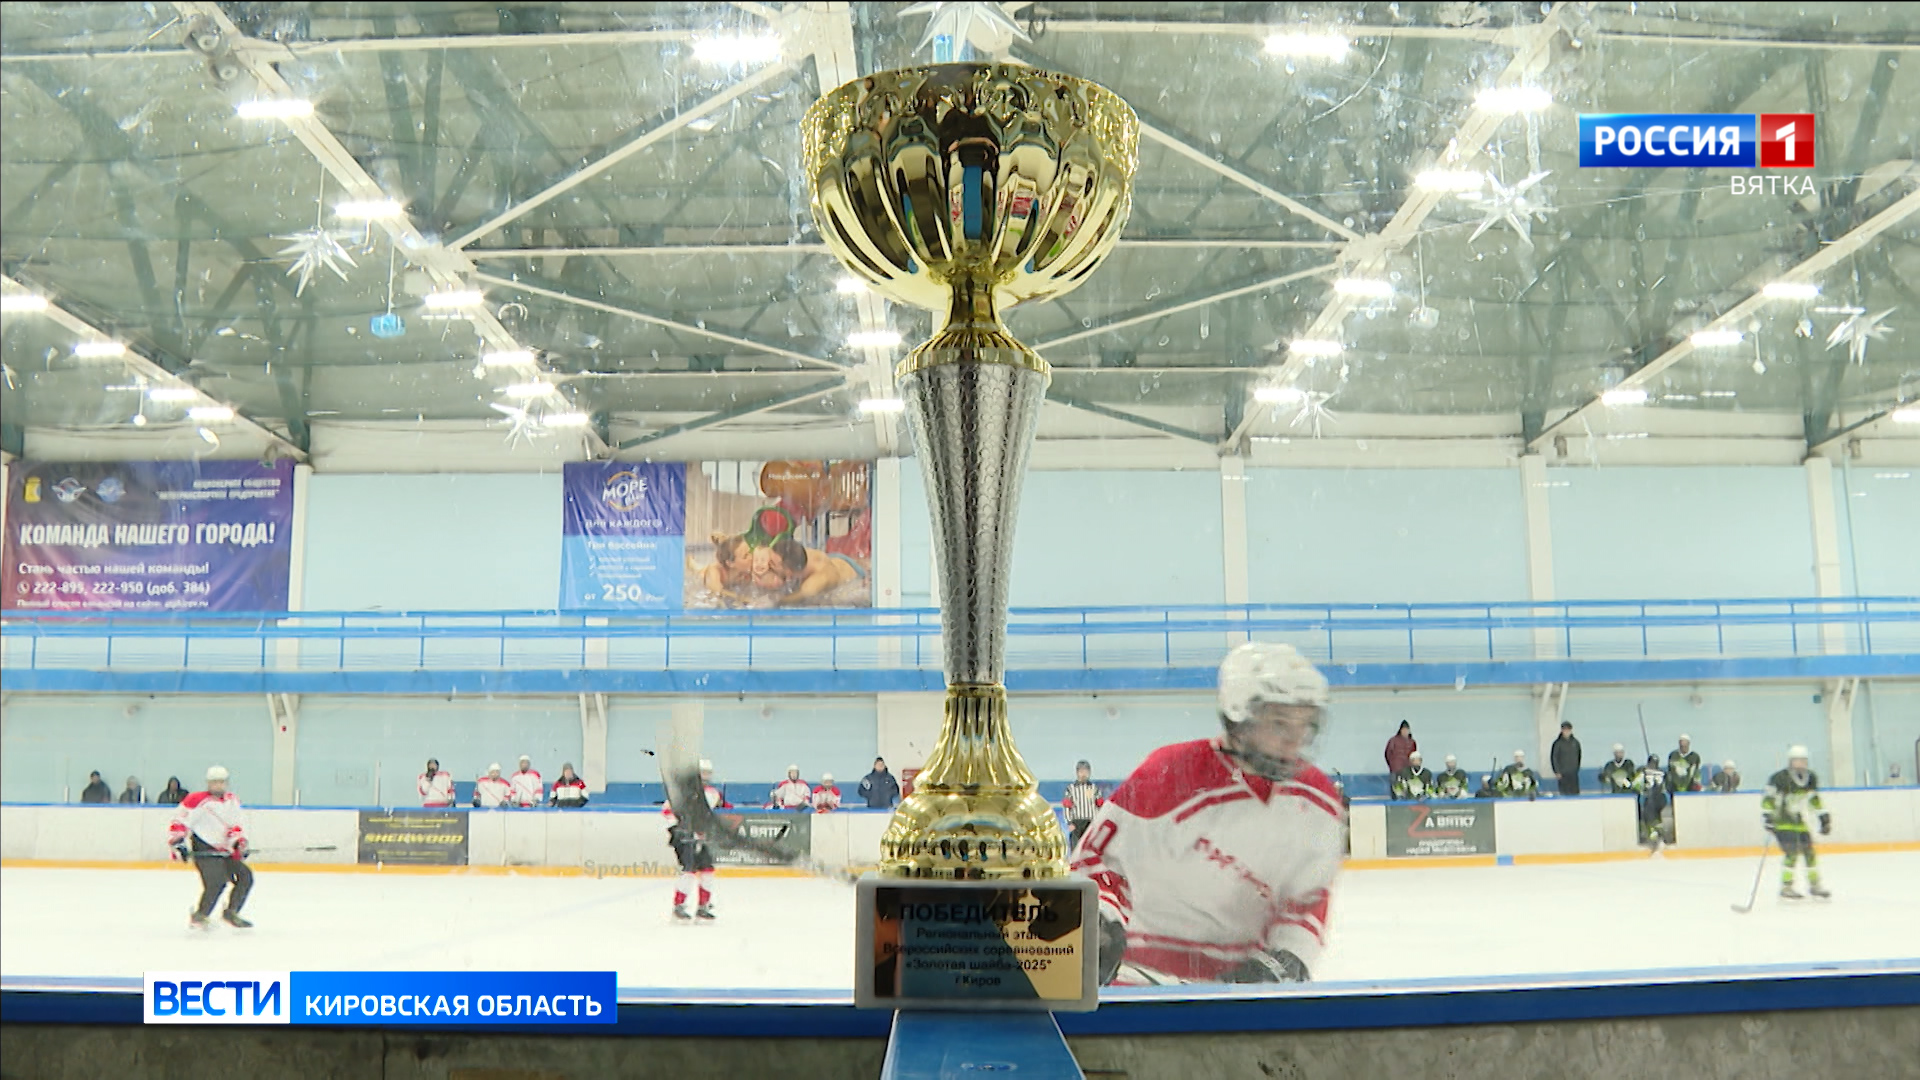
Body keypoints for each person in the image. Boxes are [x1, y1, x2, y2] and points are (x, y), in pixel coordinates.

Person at [1072, 642, 1343, 986]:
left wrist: (1286, 960)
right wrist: (1099, 923)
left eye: (1304, 726)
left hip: (1236, 996)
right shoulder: (1170, 772)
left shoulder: (1318, 801)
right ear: (1239, 716)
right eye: (1279, 724)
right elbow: (1097, 862)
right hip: (1137, 980)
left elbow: (1306, 904)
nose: (1294, 741)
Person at [166, 765, 254, 930]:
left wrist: (238, 843)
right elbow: (180, 821)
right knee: (216, 882)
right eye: (214, 782)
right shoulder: (196, 800)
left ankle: (231, 912)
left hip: (225, 851)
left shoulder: (232, 801)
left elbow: (236, 825)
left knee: (245, 876)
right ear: (208, 783)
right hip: (204, 850)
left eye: (221, 782)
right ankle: (200, 916)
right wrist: (178, 843)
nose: (218, 786)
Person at [663, 759, 730, 920]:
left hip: (701, 837)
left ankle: (703, 905)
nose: (706, 777)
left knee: (707, 870)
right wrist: (681, 829)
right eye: (703, 773)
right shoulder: (681, 792)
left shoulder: (713, 793)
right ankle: (679, 905)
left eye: (708, 773)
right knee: (689, 870)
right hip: (685, 837)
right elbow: (667, 811)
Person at [1764, 746, 1831, 899]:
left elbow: (1813, 799)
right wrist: (1768, 816)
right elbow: (1769, 798)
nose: (1800, 763)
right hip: (1782, 821)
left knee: (1809, 851)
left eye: (1803, 760)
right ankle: (1786, 886)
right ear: (1790, 762)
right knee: (1792, 852)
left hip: (1799, 821)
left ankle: (1815, 885)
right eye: (1797, 760)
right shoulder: (1779, 778)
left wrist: (1823, 816)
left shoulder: (1810, 778)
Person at [764, 534, 867, 606]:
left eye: (773, 563)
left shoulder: (812, 586)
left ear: (789, 571)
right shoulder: (799, 553)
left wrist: (772, 601)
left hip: (852, 577)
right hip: (835, 558)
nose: (768, 564)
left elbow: (786, 601)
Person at [1062, 761, 1104, 851]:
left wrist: (1098, 821)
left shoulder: (1093, 788)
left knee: (1090, 848)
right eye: (1081, 772)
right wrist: (1069, 823)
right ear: (1077, 773)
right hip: (1076, 822)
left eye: (1086, 772)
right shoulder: (1071, 788)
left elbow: (1100, 805)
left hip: (1091, 822)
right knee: (1076, 848)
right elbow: (1067, 806)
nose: (1083, 774)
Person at [1637, 755, 1670, 847]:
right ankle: (1660, 835)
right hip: (1661, 798)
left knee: (1648, 817)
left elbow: (1636, 784)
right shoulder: (1663, 772)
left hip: (1651, 798)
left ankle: (1654, 835)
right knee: (1658, 818)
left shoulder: (1643, 771)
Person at [1550, 721, 1582, 796]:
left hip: (1573, 773)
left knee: (1575, 792)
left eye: (1568, 730)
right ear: (1562, 730)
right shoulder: (1557, 743)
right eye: (1565, 730)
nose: (1566, 732)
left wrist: (1576, 768)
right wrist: (1557, 771)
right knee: (1564, 793)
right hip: (1562, 773)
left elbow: (1579, 756)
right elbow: (1554, 757)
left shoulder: (1575, 742)